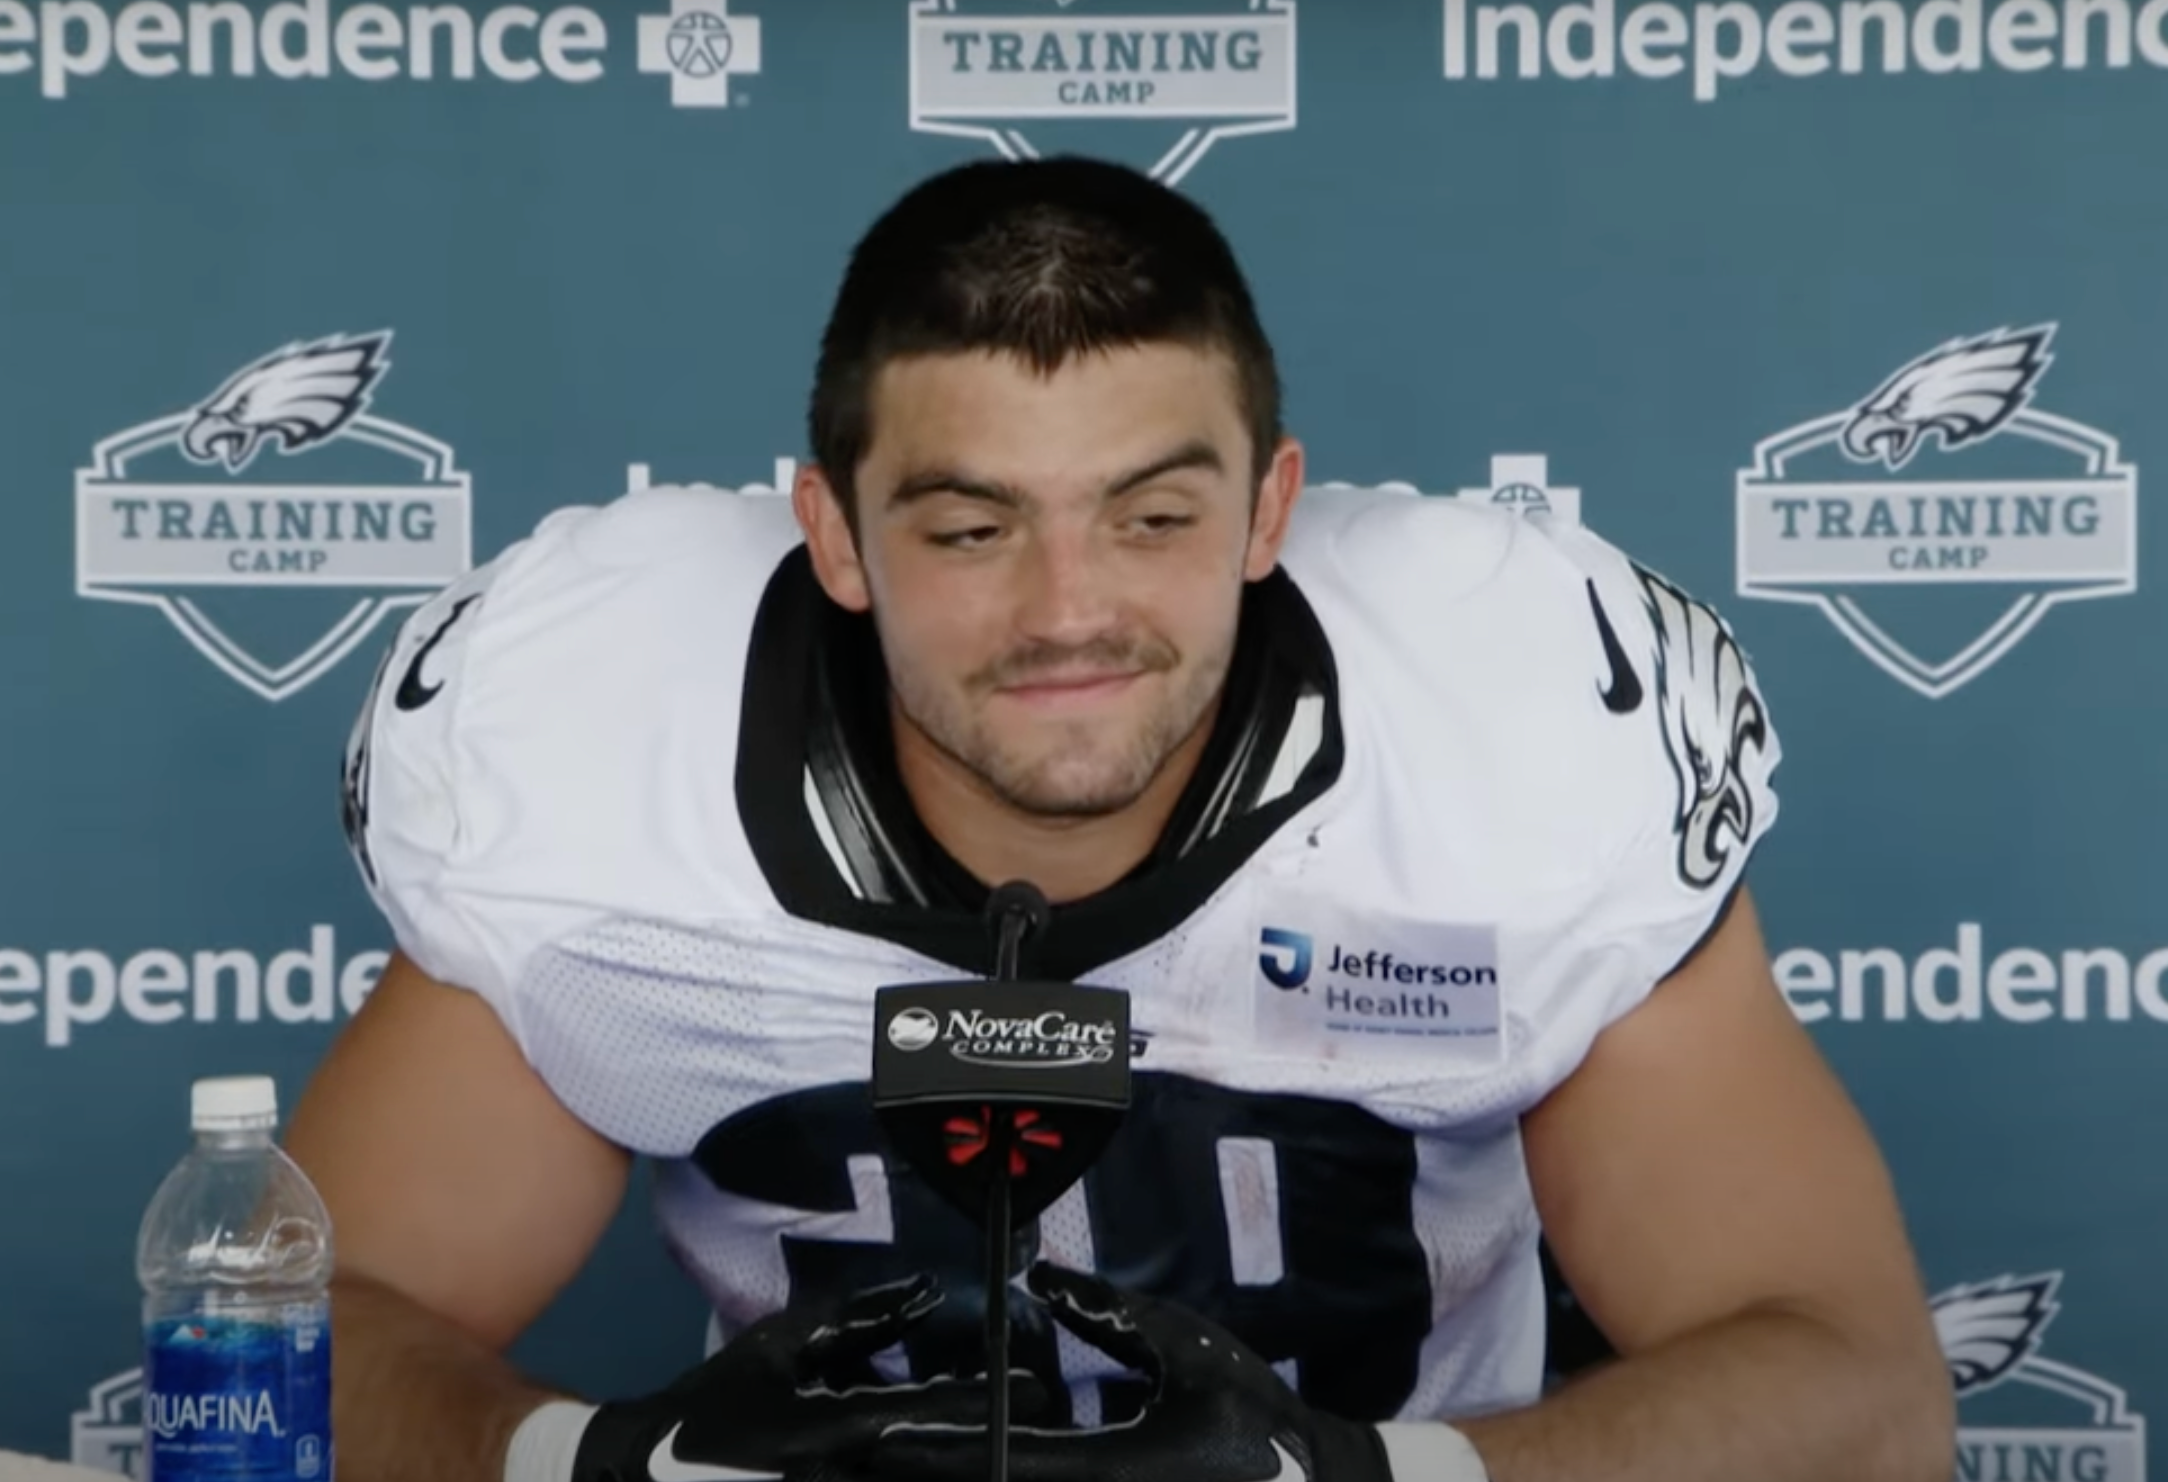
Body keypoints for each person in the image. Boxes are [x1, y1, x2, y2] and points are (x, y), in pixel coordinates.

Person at [287, 155, 1956, 1482]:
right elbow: (285, 1337)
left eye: (1153, 513)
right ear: (837, 539)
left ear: (1270, 510)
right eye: (969, 530)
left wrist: (1376, 1480)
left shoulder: (1508, 733)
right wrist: (599, 1462)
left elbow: (1853, 1391)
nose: (1068, 611)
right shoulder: (595, 754)